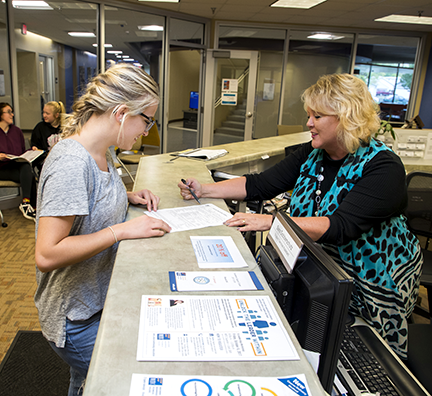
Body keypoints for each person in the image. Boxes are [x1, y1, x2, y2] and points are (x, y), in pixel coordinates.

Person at [179, 73, 423, 359]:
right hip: (323, 275)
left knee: (364, 361)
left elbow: (341, 226)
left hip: (374, 284)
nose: (309, 123)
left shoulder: (384, 167)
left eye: (317, 116)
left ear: (347, 117)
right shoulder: (313, 154)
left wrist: (272, 222)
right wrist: (204, 189)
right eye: (309, 115)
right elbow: (261, 184)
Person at [34, 63, 171, 396]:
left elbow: (85, 202)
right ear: (122, 113)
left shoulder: (102, 151)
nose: (146, 131)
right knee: (124, 380)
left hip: (96, 301)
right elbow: (47, 253)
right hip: (74, 317)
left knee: (85, 383)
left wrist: (126, 196)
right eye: (146, 120)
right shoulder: (71, 161)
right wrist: (122, 231)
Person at [0, 102, 37, 221]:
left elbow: (21, 152)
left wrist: (32, 151)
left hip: (14, 166)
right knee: (29, 175)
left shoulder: (16, 131)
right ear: (1, 115)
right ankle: (32, 206)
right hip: (1, 168)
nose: (12, 115)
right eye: (9, 112)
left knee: (26, 167)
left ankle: (26, 203)